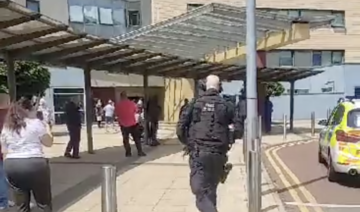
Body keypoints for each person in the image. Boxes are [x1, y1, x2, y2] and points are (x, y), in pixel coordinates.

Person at [176, 75, 237, 212]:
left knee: (199, 191)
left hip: (199, 152)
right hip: (219, 155)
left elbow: (180, 128)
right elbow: (238, 129)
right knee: (210, 190)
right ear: (219, 87)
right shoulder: (227, 106)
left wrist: (188, 143)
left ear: (205, 86)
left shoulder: (194, 104)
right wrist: (228, 141)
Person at [1, 97, 53, 212]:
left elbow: (4, 150)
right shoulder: (36, 123)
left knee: (21, 205)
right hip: (35, 163)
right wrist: (48, 129)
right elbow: (48, 143)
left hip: (13, 164)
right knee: (43, 202)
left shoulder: (7, 126)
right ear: (28, 110)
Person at [115, 91, 146, 157]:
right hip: (133, 124)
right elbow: (136, 111)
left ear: (121, 97)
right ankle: (140, 152)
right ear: (126, 96)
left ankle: (128, 152)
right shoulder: (132, 104)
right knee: (137, 139)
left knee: (126, 139)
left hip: (123, 124)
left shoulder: (118, 105)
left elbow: (117, 114)